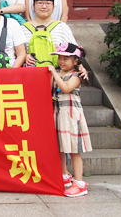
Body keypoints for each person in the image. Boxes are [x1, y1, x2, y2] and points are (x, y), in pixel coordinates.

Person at [47, 43, 92, 197]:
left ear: (76, 61)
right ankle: (64, 175)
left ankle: (80, 183)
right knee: (60, 146)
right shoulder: (58, 72)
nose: (61, 61)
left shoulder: (76, 75)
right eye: (60, 58)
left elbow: (66, 88)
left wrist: (54, 73)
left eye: (66, 58)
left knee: (73, 149)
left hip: (71, 115)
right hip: (59, 114)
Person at [21, 0, 77, 68]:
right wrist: (25, 56)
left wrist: (80, 65)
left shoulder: (62, 27)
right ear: (33, 6)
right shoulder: (23, 28)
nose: (44, 6)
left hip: (57, 71)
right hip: (31, 71)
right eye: (40, 3)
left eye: (48, 3)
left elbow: (74, 51)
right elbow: (16, 53)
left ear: (53, 6)